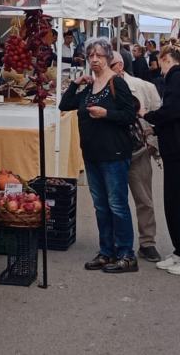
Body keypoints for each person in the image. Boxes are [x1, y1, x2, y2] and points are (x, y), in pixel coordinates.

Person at [59, 37, 137, 274]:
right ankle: (106, 251)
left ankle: (126, 254)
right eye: (90, 55)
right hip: (92, 155)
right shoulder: (88, 87)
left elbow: (129, 115)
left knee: (117, 205)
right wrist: (75, 84)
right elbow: (65, 105)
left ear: (109, 58)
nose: (94, 59)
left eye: (99, 55)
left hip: (114, 154)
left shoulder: (117, 83)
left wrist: (106, 113)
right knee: (101, 206)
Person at [142, 44, 180, 277]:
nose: (159, 67)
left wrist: (149, 116)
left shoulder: (177, 77)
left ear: (168, 59)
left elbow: (172, 111)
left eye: (161, 61)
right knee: (174, 201)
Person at [110, 50, 162, 262]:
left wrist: (151, 140)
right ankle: (117, 243)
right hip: (111, 151)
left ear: (119, 66)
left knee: (144, 199)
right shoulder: (98, 87)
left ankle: (147, 242)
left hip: (137, 151)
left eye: (107, 63)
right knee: (114, 201)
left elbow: (159, 116)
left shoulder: (144, 87)